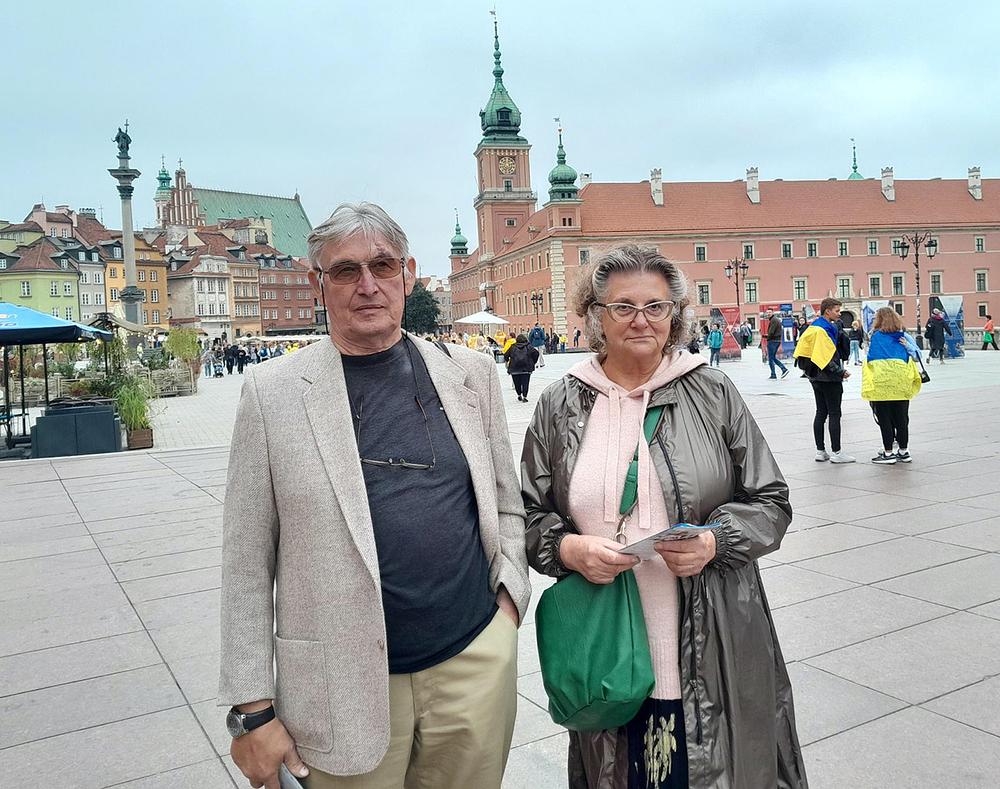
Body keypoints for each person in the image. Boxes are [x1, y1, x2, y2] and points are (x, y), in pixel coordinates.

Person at [220, 202, 530, 789]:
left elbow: (504, 499)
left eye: (382, 266)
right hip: (341, 684)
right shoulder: (273, 391)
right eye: (345, 271)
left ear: (407, 274)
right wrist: (252, 709)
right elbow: (245, 562)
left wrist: (508, 606)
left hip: (471, 661)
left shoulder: (469, 373)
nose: (368, 285)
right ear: (319, 283)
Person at [521, 245, 807, 788]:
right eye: (623, 307)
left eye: (656, 306)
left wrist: (716, 541)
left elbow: (771, 501)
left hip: (714, 637)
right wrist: (567, 549)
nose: (641, 320)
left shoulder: (712, 391)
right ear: (595, 315)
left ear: (674, 315)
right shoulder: (561, 404)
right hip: (606, 648)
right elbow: (528, 514)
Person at [794, 297, 855, 463]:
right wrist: (840, 372)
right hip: (829, 377)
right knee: (834, 413)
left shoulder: (813, 327)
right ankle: (837, 452)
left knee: (820, 412)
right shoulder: (824, 329)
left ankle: (820, 451)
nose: (839, 314)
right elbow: (826, 356)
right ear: (827, 311)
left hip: (814, 376)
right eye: (837, 310)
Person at [862, 307, 922, 465]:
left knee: (885, 419)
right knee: (902, 418)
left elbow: (869, 358)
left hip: (881, 383)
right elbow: (917, 356)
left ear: (879, 320)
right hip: (901, 382)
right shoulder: (903, 336)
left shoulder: (875, 336)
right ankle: (904, 451)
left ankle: (888, 453)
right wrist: (907, 346)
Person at [504, 333, 539, 402]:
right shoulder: (529, 346)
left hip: (514, 368)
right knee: (525, 383)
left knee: (517, 383)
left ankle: (519, 394)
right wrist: (533, 362)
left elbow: (506, 355)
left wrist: (507, 361)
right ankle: (525, 396)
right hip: (526, 368)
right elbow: (536, 353)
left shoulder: (513, 347)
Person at [765, 310, 789, 379]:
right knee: (772, 357)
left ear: (772, 313)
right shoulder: (775, 319)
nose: (768, 313)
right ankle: (777, 372)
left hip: (773, 341)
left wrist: (767, 337)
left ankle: (781, 370)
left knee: (771, 358)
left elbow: (771, 332)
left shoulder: (774, 320)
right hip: (776, 340)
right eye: (767, 312)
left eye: (770, 312)